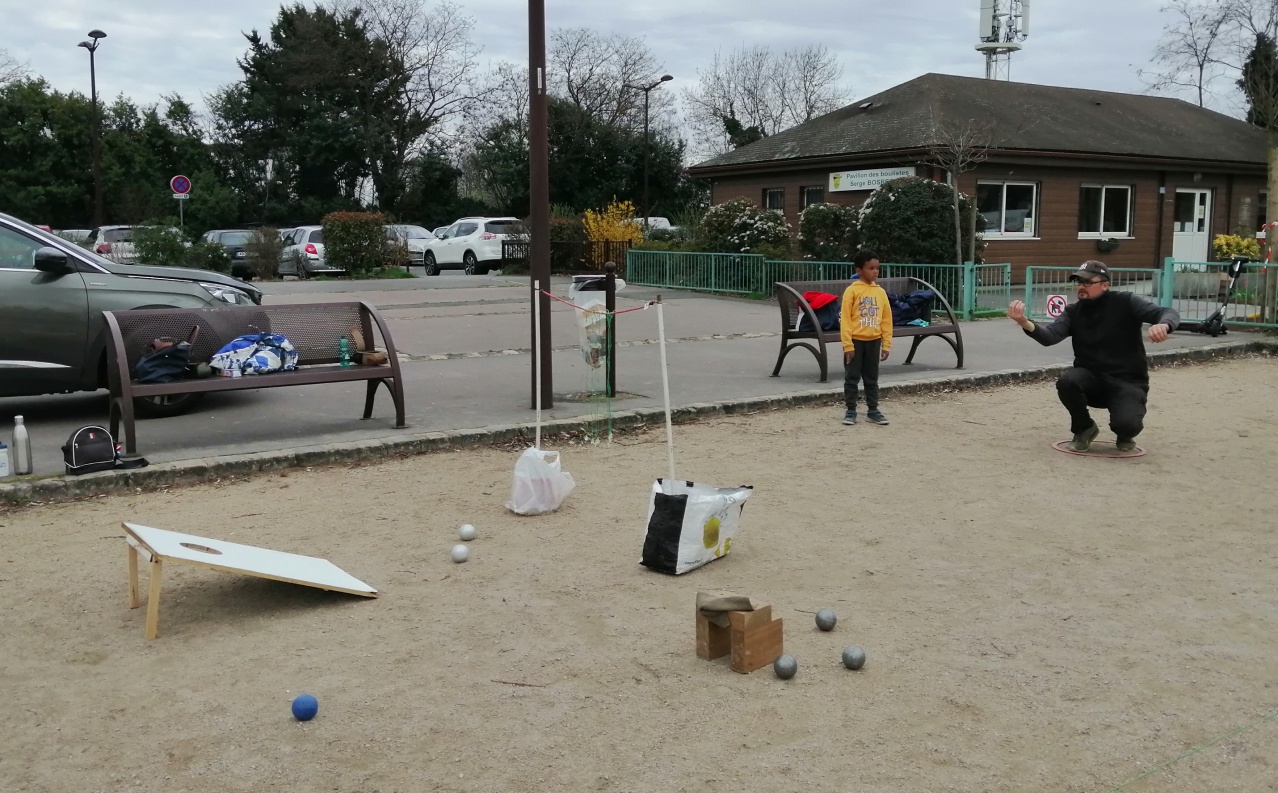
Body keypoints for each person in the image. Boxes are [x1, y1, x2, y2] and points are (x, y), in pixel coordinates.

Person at [1007, 260, 1179, 452]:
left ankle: (1125, 432)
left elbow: (1167, 312)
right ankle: (1084, 428)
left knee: (1127, 426)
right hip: (1092, 380)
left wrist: (1164, 325)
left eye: (1088, 282)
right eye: (1079, 282)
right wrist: (1024, 322)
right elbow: (1049, 337)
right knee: (1068, 381)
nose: (1081, 286)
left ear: (1105, 285)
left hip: (1127, 381)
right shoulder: (1073, 312)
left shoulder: (1126, 302)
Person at [840, 250, 892, 426]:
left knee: (871, 378)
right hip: (855, 342)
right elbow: (845, 319)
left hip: (874, 341)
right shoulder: (852, 291)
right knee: (852, 377)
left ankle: (873, 409)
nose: (875, 271)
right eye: (871, 268)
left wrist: (886, 344)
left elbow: (886, 320)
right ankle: (851, 410)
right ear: (859, 270)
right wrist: (848, 344)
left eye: (877, 268)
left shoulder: (881, 293)